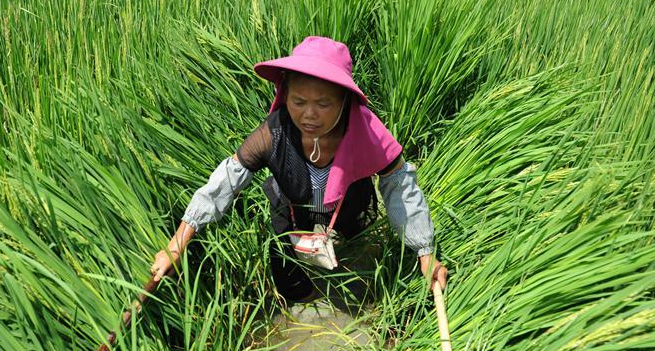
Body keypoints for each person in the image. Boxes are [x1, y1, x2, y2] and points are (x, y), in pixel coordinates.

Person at [150, 36, 448, 304]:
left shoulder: (365, 130)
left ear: (344, 101)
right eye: (299, 101)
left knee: (357, 260)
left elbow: (400, 186)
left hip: (348, 204)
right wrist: (176, 246)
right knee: (289, 278)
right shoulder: (274, 133)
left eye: (323, 104)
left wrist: (425, 253)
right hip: (292, 206)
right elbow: (226, 181)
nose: (309, 115)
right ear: (285, 95)